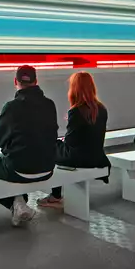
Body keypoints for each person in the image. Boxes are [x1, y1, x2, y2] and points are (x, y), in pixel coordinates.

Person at [0, 65, 58, 227]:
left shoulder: (12, 107)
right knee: (10, 165)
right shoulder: (50, 104)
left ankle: (15, 203)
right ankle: (18, 202)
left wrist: (9, 149)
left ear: (15, 81)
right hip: (47, 168)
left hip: (19, 168)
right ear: (36, 81)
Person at [38, 72, 109, 209]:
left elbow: (71, 142)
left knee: (51, 147)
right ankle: (56, 195)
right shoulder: (102, 109)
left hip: (79, 158)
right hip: (97, 157)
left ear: (74, 88)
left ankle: (56, 196)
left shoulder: (76, 111)